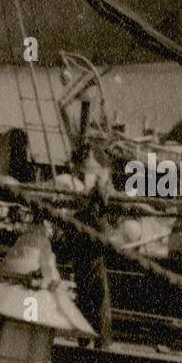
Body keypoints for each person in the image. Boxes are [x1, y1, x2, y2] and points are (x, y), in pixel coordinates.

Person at [68, 148, 116, 347]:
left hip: (83, 238)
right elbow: (102, 200)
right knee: (98, 294)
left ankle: (85, 336)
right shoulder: (94, 181)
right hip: (92, 239)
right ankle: (100, 340)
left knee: (86, 293)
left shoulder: (80, 181)